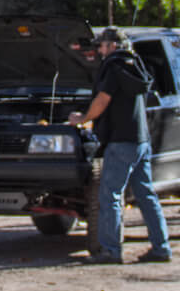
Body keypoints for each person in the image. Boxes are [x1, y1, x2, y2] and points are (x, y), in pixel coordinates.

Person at [70, 26, 171, 265]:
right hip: (141, 141)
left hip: (120, 142)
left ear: (112, 45)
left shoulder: (113, 68)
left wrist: (83, 118)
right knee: (146, 195)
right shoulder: (137, 65)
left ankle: (111, 251)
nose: (99, 49)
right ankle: (161, 247)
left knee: (110, 195)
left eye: (102, 45)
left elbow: (103, 100)